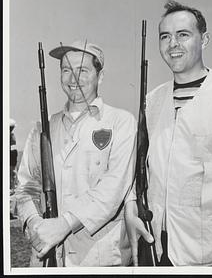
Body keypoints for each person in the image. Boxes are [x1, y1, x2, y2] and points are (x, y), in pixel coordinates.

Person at [125, 0, 212, 266]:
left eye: (183, 34)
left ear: (204, 39)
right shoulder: (151, 101)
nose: (173, 43)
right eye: (165, 36)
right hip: (160, 246)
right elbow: (140, 166)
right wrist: (130, 205)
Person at [15, 40, 136, 267]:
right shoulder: (42, 128)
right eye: (66, 70)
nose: (73, 79)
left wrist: (63, 225)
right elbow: (26, 187)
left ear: (100, 76)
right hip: (49, 257)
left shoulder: (122, 122)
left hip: (100, 259)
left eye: (83, 70)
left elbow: (113, 188)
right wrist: (34, 224)